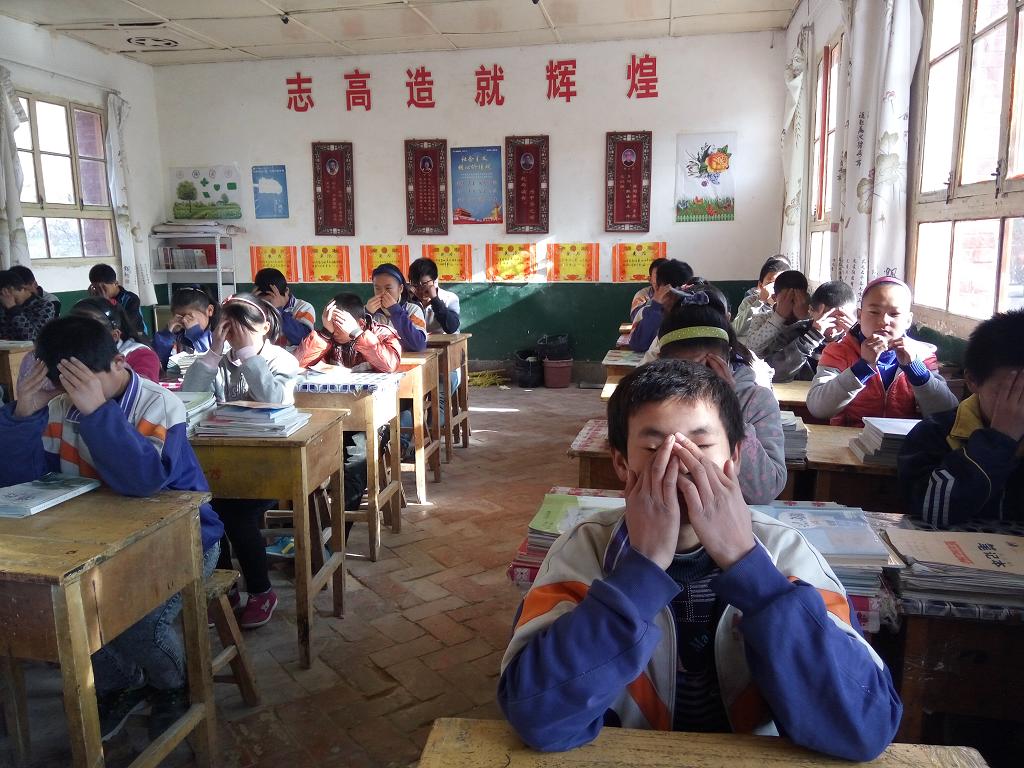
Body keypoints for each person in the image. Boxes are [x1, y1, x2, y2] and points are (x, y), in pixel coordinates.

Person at [498, 360, 901, 761]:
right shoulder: (584, 552)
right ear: (621, 463)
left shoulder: (786, 553)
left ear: (735, 457)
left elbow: (864, 728)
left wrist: (748, 567)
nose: (678, 467)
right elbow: (537, 717)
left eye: (701, 447)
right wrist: (642, 571)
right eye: (654, 449)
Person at [0, 316, 224, 742]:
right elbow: (17, 484)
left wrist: (98, 414)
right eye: (66, 385)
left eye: (84, 383)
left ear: (118, 363)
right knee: (64, 619)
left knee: (136, 626)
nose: (74, 395)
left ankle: (171, 685)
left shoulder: (158, 406)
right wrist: (23, 415)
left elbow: (142, 483)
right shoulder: (56, 405)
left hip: (182, 541)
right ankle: (121, 682)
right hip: (92, 545)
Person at [182, 294, 301, 629]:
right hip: (222, 464)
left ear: (264, 327)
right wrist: (213, 353)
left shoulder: (282, 360)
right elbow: (188, 397)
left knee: (234, 515)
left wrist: (249, 354)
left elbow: (274, 399)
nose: (235, 334)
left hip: (268, 465)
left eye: (243, 326)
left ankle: (261, 591)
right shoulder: (219, 360)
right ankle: (226, 588)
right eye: (228, 326)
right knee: (206, 510)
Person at [898, 310, 1024, 527]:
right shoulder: (934, 434)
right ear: (972, 381)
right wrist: (999, 440)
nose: (1018, 406)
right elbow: (934, 512)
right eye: (1008, 393)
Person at [655, 297, 786, 504]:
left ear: (727, 360)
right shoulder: (650, 403)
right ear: (661, 364)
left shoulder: (755, 400)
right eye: (683, 372)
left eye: (709, 368)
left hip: (733, 514)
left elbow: (765, 491)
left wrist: (726, 407)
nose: (695, 383)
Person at [295, 293, 403, 515]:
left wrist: (357, 334)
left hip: (369, 421)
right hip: (328, 417)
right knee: (303, 459)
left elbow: (390, 364)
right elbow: (297, 363)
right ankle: (308, 526)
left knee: (354, 465)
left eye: (338, 325)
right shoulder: (326, 337)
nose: (334, 330)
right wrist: (325, 333)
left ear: (360, 323)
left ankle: (337, 530)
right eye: (329, 323)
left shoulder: (382, 334)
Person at [807, 277, 958, 427]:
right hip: (848, 438)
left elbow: (947, 412)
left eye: (895, 314)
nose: (884, 321)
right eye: (874, 312)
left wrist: (915, 369)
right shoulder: (839, 351)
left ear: (908, 320)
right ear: (859, 316)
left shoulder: (922, 355)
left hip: (903, 440)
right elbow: (818, 408)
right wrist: (862, 368)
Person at [745, 276, 857, 384]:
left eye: (840, 320)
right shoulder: (795, 332)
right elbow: (774, 373)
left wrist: (857, 337)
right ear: (811, 311)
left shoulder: (858, 340)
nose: (833, 329)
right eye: (827, 319)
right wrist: (812, 338)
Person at [628, 259, 695, 353]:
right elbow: (638, 345)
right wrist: (655, 307)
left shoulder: (695, 308)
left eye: (681, 291)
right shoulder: (648, 310)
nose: (675, 298)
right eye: (671, 292)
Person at [153, 287, 218, 371]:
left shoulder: (219, 335)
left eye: (189, 317)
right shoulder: (177, 336)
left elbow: (212, 361)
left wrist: (195, 334)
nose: (184, 321)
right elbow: (160, 363)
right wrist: (167, 335)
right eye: (179, 317)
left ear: (209, 310)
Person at [368, 263, 427, 352]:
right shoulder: (369, 311)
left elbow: (419, 345)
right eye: (377, 288)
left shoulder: (413, 310)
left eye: (388, 288)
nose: (382, 293)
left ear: (400, 289)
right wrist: (366, 314)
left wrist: (395, 311)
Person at [253, 267, 316, 348]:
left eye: (270, 302)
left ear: (286, 291)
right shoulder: (257, 307)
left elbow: (303, 339)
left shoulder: (304, 308)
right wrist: (250, 307)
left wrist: (278, 311)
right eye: (264, 302)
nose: (268, 306)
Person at [732, 256, 790, 340]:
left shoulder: (789, 306)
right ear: (760, 285)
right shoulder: (750, 301)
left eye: (780, 284)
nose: (775, 288)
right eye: (770, 283)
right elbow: (736, 330)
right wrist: (760, 301)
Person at [87, 264, 147, 335]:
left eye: (103, 288)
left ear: (116, 283)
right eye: (95, 288)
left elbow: (126, 326)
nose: (100, 291)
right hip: (111, 337)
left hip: (136, 336)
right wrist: (93, 302)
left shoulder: (131, 299)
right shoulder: (96, 299)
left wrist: (106, 303)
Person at [408, 258, 460, 334]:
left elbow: (451, 328)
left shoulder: (450, 298)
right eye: (416, 285)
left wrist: (435, 299)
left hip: (446, 341)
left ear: (435, 281)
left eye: (424, 284)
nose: (420, 290)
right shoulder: (410, 301)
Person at [0, 268, 56, 340]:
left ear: (9, 290)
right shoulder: (3, 306)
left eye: (2, 294)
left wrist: (12, 308)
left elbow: (33, 337)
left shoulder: (44, 306)